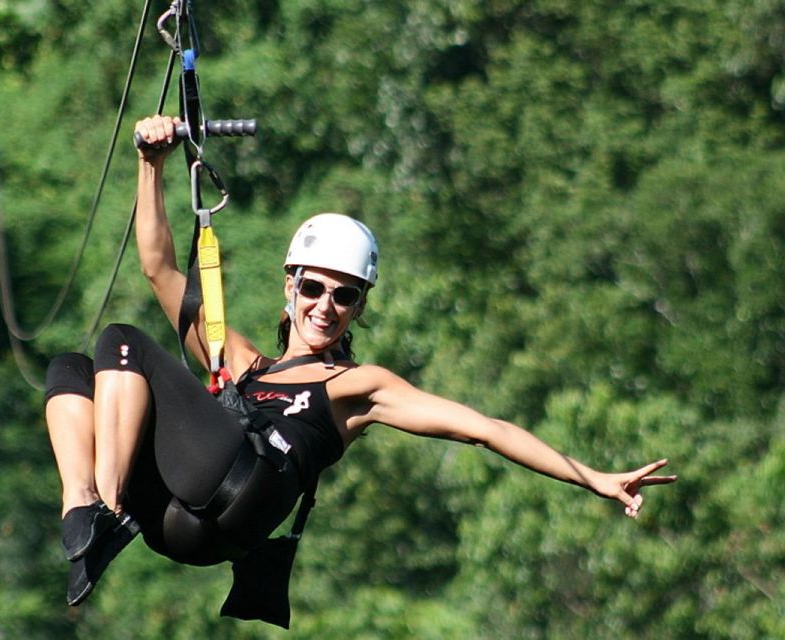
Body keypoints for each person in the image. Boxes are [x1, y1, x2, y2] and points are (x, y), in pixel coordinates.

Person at [43, 115, 677, 610]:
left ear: (359, 307)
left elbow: (484, 429)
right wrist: (149, 165)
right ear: (289, 287)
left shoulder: (358, 386)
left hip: (242, 492)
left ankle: (105, 508)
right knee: (74, 368)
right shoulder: (237, 359)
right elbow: (158, 267)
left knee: (123, 339)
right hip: (177, 528)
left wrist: (591, 476)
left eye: (345, 296)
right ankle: (90, 515)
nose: (327, 307)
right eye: (315, 289)